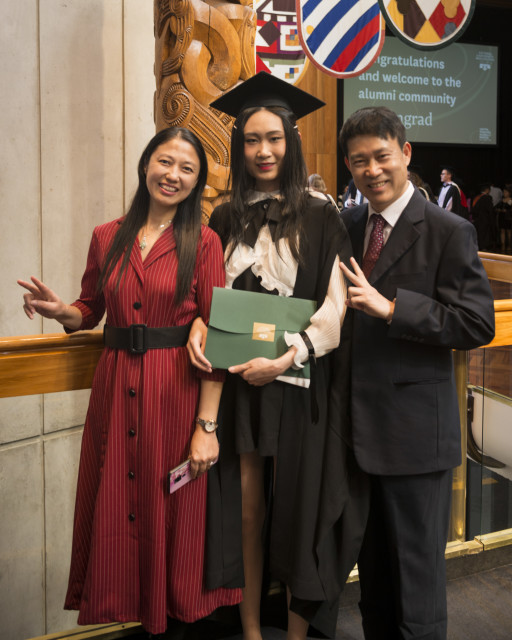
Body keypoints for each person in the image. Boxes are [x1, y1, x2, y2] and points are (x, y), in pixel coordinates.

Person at [18, 127, 242, 638]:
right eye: (165, 162)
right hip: (116, 390)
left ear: (197, 183)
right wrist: (62, 311)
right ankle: (139, 616)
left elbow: (218, 335)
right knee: (118, 502)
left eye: (187, 169)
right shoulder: (107, 235)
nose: (173, 175)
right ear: (146, 165)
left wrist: (206, 426)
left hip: (176, 391)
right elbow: (89, 309)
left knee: (174, 511)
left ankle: (174, 621)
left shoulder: (205, 242)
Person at [187, 72, 365, 640]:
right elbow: (206, 292)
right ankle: (249, 631)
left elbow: (336, 304)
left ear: (291, 141)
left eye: (274, 138)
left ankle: (294, 634)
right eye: (251, 140)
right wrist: (198, 321)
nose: (263, 151)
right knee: (247, 511)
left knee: (296, 511)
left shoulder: (322, 214)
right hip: (240, 384)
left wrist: (287, 360)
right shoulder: (223, 216)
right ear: (239, 147)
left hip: (298, 381)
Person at [338, 107, 495, 640]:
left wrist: (392, 309)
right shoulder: (348, 225)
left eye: (382, 156)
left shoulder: (450, 230)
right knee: (375, 583)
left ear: (405, 153)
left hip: (415, 436)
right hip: (354, 434)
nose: (372, 170)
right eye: (359, 161)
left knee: (417, 586)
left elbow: (476, 322)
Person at [495, 186, 512, 253]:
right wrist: (499, 210)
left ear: (509, 193)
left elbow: (509, 209)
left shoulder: (510, 200)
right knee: (502, 231)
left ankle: (509, 245)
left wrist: (507, 211)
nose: (504, 193)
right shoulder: (501, 200)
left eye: (506, 192)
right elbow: (496, 207)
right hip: (501, 217)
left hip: (508, 218)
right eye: (504, 192)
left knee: (508, 231)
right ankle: (503, 245)